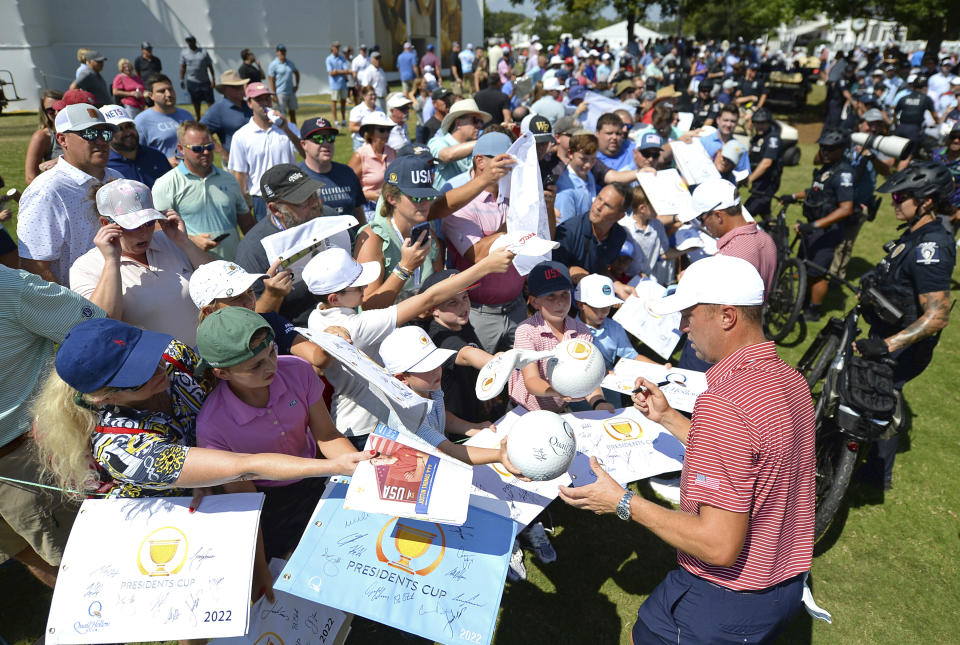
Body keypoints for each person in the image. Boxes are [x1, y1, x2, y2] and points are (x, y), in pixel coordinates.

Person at [559, 254, 815, 644]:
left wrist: (621, 502)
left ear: (726, 316)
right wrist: (669, 419)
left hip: (723, 597)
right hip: (783, 583)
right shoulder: (791, 379)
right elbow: (752, 460)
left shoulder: (725, 405)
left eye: (689, 315)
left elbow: (717, 544)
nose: (682, 327)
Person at [32, 317, 371, 602]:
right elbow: (242, 466)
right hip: (175, 513)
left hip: (237, 476)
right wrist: (331, 467)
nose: (159, 366)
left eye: (149, 354)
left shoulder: (171, 356)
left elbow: (232, 370)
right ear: (106, 397)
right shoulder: (121, 448)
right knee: (201, 600)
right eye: (141, 374)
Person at [303, 245, 515, 445]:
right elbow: (427, 298)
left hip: (352, 423)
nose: (366, 287)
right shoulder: (357, 326)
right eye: (358, 287)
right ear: (334, 298)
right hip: (370, 429)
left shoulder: (317, 316)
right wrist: (486, 266)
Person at [195, 306, 356, 560]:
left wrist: (358, 469)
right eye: (255, 365)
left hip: (318, 478)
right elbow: (244, 501)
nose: (271, 366)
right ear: (222, 373)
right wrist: (259, 569)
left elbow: (327, 434)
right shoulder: (212, 426)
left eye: (272, 352)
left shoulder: (298, 370)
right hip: (267, 502)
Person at [0, 267, 104, 589]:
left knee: (78, 560)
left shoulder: (10, 288)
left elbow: (94, 329)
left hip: (24, 457)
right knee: (25, 550)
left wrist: (64, 404)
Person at [855, 162, 956, 489]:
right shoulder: (913, 233)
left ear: (926, 202)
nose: (895, 201)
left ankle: (875, 477)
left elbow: (937, 315)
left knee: (883, 399)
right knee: (870, 393)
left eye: (902, 196)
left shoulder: (932, 247)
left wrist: (886, 346)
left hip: (901, 345)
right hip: (886, 331)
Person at [69, 179, 212, 346]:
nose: (144, 233)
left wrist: (184, 242)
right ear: (106, 224)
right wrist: (111, 261)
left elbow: (220, 283)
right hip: (154, 369)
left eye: (150, 223)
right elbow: (103, 325)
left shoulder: (170, 241)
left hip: (205, 356)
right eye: (134, 226)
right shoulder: (86, 267)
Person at [17, 104, 122, 285]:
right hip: (78, 306)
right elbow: (35, 267)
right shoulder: (47, 192)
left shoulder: (117, 178)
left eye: (106, 134)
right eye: (89, 134)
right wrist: (75, 310)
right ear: (62, 139)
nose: (101, 141)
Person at [441, 133, 527, 354]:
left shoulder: (519, 196)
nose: (510, 168)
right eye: (502, 160)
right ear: (480, 161)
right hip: (479, 314)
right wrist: (516, 225)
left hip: (517, 307)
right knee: (481, 380)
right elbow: (477, 253)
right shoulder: (461, 205)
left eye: (512, 161)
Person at [234, 164, 340, 327]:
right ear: (275, 209)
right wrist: (272, 295)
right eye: (303, 201)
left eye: (314, 194)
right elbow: (250, 322)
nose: (314, 204)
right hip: (297, 335)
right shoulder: (253, 251)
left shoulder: (330, 218)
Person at [508, 260, 614, 414]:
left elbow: (589, 374)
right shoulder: (526, 331)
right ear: (534, 302)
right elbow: (531, 380)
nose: (560, 302)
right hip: (523, 409)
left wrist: (599, 402)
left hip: (559, 408)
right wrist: (558, 391)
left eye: (565, 294)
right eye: (551, 296)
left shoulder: (582, 331)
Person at [779, 129, 855, 321]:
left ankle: (813, 310)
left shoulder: (843, 174)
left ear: (842, 149)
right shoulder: (827, 168)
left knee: (817, 272)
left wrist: (814, 226)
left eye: (830, 149)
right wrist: (794, 196)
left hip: (827, 230)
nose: (825, 152)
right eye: (822, 148)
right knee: (804, 267)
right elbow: (816, 189)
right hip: (813, 227)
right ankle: (801, 303)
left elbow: (846, 209)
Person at [152, 121, 255, 261]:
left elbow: (247, 224)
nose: (205, 152)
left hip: (233, 267)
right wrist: (191, 240)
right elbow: (155, 227)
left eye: (209, 146)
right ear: (181, 149)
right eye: (197, 149)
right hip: (191, 269)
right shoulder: (166, 184)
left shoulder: (229, 179)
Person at [354, 154, 443, 307]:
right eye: (415, 198)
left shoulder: (429, 235)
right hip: (386, 328)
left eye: (428, 196)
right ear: (391, 198)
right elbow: (367, 305)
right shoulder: (372, 238)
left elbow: (439, 286)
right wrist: (405, 268)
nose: (424, 203)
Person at [420, 269, 499, 431]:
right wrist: (499, 362)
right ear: (433, 309)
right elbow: (467, 354)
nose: (463, 306)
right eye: (452, 302)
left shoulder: (459, 321)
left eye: (465, 297)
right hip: (460, 427)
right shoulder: (440, 338)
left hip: (475, 409)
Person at [227, 82, 304, 222]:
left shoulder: (288, 127)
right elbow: (240, 175)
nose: (264, 103)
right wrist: (243, 208)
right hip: (262, 200)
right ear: (250, 103)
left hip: (291, 193)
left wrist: (285, 128)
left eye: (267, 98)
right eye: (259, 99)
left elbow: (306, 153)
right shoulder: (241, 136)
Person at [689, 178, 777, 295]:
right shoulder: (766, 239)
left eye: (701, 218)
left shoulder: (725, 258)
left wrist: (689, 282)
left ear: (718, 216)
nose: (702, 225)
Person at [553, 183, 634, 300]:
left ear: (619, 216)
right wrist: (572, 271)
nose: (598, 206)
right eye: (599, 198)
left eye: (608, 205)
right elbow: (554, 269)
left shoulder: (619, 236)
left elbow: (601, 269)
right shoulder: (568, 231)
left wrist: (617, 285)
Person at [296, 117, 364, 222]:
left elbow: (358, 210)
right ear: (303, 144)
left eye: (330, 138)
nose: (326, 143)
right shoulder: (297, 178)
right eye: (318, 139)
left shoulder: (347, 173)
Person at [573, 273, 639, 373]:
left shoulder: (615, 327)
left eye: (608, 305)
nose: (605, 311)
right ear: (580, 304)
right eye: (599, 306)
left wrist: (663, 369)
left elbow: (632, 357)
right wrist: (605, 373)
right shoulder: (569, 331)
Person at [101, 104, 171, 188]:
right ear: (106, 134)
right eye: (119, 129)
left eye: (129, 126)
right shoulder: (104, 167)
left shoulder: (157, 156)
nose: (128, 133)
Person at [428, 98, 491, 189]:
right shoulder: (437, 142)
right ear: (458, 123)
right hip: (443, 202)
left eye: (481, 122)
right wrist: (484, 142)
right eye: (475, 120)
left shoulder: (474, 146)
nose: (480, 126)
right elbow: (447, 155)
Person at [133, 74, 195, 164]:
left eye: (170, 89)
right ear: (151, 96)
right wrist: (165, 162)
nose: (168, 94)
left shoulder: (186, 115)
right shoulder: (142, 121)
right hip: (162, 174)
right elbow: (137, 155)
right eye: (162, 91)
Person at [619, 185, 674, 286]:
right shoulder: (623, 227)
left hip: (649, 280)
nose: (659, 209)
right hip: (626, 281)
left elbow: (664, 252)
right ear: (642, 208)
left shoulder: (657, 225)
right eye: (654, 206)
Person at [199, 69, 254, 163]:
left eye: (241, 86)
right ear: (225, 90)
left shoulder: (249, 105)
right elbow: (201, 131)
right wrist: (224, 154)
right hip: (235, 162)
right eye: (235, 87)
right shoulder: (217, 110)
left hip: (255, 158)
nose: (240, 89)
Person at [348, 111, 398, 208]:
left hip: (389, 204)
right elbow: (348, 187)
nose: (386, 133)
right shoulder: (360, 155)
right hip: (368, 207)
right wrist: (370, 195)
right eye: (382, 130)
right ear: (370, 133)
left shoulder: (392, 152)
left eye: (389, 130)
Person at [745, 107, 784, 220]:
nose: (759, 126)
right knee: (765, 214)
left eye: (763, 123)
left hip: (767, 184)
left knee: (745, 215)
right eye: (757, 123)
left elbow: (767, 162)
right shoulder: (757, 137)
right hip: (759, 184)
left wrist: (749, 179)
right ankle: (773, 232)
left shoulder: (772, 139)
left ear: (769, 122)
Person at [555, 131, 599, 223]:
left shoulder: (589, 175)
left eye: (593, 159)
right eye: (583, 159)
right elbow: (565, 227)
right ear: (570, 153)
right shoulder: (565, 190)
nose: (588, 165)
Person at [24, 89, 64, 184]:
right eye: (50, 110)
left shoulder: (78, 132)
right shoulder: (42, 137)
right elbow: (30, 177)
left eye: (60, 108)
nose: (56, 112)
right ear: (44, 112)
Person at [699, 104, 750, 177]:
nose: (729, 125)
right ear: (718, 120)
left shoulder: (740, 149)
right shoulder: (703, 142)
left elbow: (743, 174)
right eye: (725, 120)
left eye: (733, 121)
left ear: (737, 123)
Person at [179, 35, 216, 119]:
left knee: (210, 101)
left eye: (191, 41)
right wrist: (181, 79)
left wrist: (213, 79)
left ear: (194, 41)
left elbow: (210, 66)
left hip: (205, 81)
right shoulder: (184, 53)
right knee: (196, 102)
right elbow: (182, 67)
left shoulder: (203, 52)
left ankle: (212, 117)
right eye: (188, 41)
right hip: (192, 81)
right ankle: (198, 118)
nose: (189, 43)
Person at [269, 45, 300, 124]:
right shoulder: (273, 64)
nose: (282, 53)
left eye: (283, 51)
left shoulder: (290, 63)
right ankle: (284, 132)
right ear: (277, 52)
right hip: (280, 93)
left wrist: (296, 85)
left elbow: (296, 73)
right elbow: (271, 80)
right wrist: (273, 94)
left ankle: (294, 130)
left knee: (292, 112)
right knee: (282, 115)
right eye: (280, 51)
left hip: (291, 92)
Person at [325, 41, 350, 127]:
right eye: (336, 47)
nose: (337, 49)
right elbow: (331, 73)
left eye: (338, 47)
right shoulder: (329, 59)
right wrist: (341, 72)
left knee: (343, 102)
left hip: (342, 83)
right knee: (334, 103)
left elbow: (346, 70)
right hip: (334, 85)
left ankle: (343, 120)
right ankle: (336, 122)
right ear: (332, 48)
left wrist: (337, 71)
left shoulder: (342, 58)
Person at [349, 85, 379, 150]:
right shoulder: (357, 110)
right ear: (364, 96)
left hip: (377, 143)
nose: (373, 97)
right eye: (371, 95)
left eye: (374, 94)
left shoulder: (380, 110)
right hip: (361, 143)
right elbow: (352, 128)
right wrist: (368, 130)